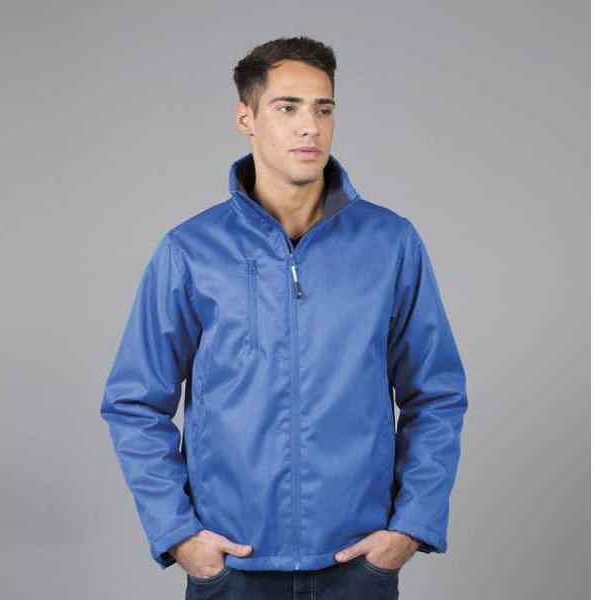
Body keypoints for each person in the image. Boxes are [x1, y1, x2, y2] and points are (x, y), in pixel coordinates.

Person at [99, 35, 468, 599]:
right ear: (245, 118)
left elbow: (436, 392)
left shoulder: (391, 243)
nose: (309, 127)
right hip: (232, 568)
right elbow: (134, 401)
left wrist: (410, 527)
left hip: (358, 566)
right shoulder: (191, 251)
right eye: (287, 107)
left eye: (324, 108)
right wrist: (180, 536)